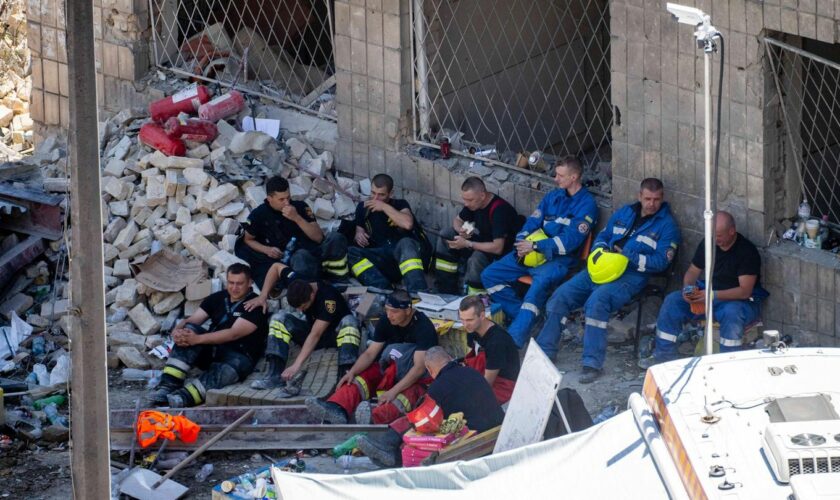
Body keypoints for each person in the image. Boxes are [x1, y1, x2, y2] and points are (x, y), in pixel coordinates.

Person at [535, 178, 680, 384]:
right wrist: (599, 251)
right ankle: (545, 352)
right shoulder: (625, 212)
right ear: (640, 196)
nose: (651, 204)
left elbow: (660, 263)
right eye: (647, 198)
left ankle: (591, 364)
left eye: (656, 199)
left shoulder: (667, 226)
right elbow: (603, 236)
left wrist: (626, 254)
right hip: (600, 267)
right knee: (560, 296)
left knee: (597, 302)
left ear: (662, 198)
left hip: (631, 275)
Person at [481, 156, 598, 347]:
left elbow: (570, 242)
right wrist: (521, 242)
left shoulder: (586, 205)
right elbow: (532, 222)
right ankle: (528, 319)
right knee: (490, 275)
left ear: (574, 177)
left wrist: (536, 246)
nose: (555, 179)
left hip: (557, 260)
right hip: (529, 253)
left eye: (560, 175)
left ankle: (512, 343)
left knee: (535, 292)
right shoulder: (553, 197)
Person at [639, 211, 767, 368]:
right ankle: (663, 357)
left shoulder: (747, 252)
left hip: (739, 301)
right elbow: (692, 272)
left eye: (718, 235)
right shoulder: (709, 243)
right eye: (712, 235)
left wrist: (711, 295)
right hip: (710, 293)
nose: (715, 239)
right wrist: (688, 289)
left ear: (732, 231)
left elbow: (744, 291)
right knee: (673, 301)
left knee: (732, 313)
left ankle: (729, 365)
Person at [304, 290, 438, 425]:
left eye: (394, 312)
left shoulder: (423, 327)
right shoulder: (386, 320)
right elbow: (370, 353)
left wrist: (393, 391)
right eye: (387, 310)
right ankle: (336, 408)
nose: (389, 315)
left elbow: (419, 368)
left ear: (408, 310)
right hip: (391, 367)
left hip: (415, 377)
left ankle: (372, 419)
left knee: (405, 398)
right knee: (359, 379)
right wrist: (352, 372)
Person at [356, 346, 504, 467]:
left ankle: (389, 448)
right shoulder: (472, 372)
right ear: (450, 358)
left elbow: (421, 422)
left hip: (472, 438)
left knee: (415, 419)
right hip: (497, 431)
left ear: (429, 368)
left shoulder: (437, 387)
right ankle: (386, 447)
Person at [147, 263, 268, 407]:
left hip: (238, 356)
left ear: (250, 283)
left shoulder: (255, 305)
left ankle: (183, 397)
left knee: (225, 372)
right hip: (214, 350)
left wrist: (197, 339)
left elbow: (233, 334)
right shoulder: (217, 298)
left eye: (239, 284)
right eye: (231, 282)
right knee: (189, 330)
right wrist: (178, 331)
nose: (234, 288)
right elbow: (193, 320)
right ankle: (168, 385)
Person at [246, 278, 361, 395]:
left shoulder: (328, 299)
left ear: (312, 295)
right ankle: (274, 375)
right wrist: (263, 295)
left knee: (349, 322)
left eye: (303, 306)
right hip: (311, 329)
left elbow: (315, 334)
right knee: (278, 319)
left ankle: (345, 377)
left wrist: (296, 365)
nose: (300, 310)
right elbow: (276, 266)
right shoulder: (299, 283)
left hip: (334, 335)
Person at [234, 176, 349, 288]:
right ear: (270, 199)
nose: (287, 203)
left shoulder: (300, 207)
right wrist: (267, 250)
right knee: (300, 256)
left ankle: (339, 280)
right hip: (295, 260)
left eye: (288, 197)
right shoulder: (258, 215)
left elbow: (319, 237)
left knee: (336, 237)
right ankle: (314, 288)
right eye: (281, 199)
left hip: (316, 253)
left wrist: (297, 218)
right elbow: (248, 239)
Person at [434, 177, 520, 294]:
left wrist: (468, 243)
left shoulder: (499, 210)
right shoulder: (475, 204)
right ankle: (445, 289)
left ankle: (475, 300)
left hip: (500, 255)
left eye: (469, 200)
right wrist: (461, 231)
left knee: (477, 258)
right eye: (464, 200)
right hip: (480, 243)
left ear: (482, 196)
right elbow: (457, 220)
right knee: (446, 234)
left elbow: (498, 248)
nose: (466, 204)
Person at [348, 174, 432, 293]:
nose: (375, 198)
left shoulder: (400, 204)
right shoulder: (363, 207)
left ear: (390, 193)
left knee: (406, 243)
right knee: (351, 252)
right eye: (373, 193)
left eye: (381, 195)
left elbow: (407, 223)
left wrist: (384, 207)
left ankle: (417, 293)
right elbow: (359, 228)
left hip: (406, 256)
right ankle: (382, 289)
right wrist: (359, 234)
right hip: (384, 257)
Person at [457, 295, 520, 404]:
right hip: (484, 372)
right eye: (462, 319)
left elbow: (487, 384)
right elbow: (472, 356)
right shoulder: (472, 329)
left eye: (469, 320)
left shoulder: (497, 341)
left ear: (482, 315)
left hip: (503, 384)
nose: (465, 325)